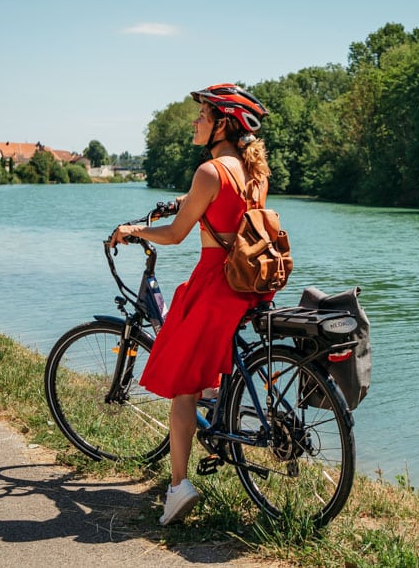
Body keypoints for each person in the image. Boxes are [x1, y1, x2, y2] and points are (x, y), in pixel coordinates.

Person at [109, 83, 273, 525]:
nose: (195, 121)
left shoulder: (208, 171)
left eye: (202, 114)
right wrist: (181, 204)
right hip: (249, 285)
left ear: (223, 123)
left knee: (183, 387)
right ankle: (220, 401)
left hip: (214, 284)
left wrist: (133, 230)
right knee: (204, 370)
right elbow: (225, 208)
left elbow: (177, 235)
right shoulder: (253, 171)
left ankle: (178, 487)